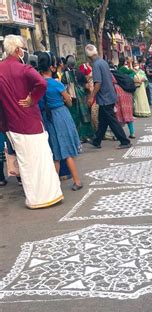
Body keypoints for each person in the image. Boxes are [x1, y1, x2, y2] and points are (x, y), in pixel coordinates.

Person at [0, 35, 63, 208]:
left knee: (25, 163)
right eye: (23, 48)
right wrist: (32, 98)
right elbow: (41, 83)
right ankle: (47, 195)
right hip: (30, 122)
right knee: (41, 160)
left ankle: (34, 198)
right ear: (17, 50)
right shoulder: (24, 69)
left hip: (11, 124)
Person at [38, 52, 82, 191]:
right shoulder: (56, 84)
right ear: (52, 67)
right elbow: (68, 100)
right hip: (61, 115)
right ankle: (77, 181)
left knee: (55, 153)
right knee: (67, 151)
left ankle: (55, 187)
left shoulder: (38, 85)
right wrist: (65, 101)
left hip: (47, 118)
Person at [85, 44, 130, 149]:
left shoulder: (96, 65)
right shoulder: (103, 62)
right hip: (109, 95)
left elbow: (98, 83)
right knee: (103, 121)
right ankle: (97, 141)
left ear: (89, 57)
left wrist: (91, 96)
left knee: (112, 121)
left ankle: (124, 141)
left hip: (105, 97)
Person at [62, 55, 95, 141]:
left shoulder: (65, 75)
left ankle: (78, 136)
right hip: (82, 97)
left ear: (67, 64)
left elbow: (63, 86)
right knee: (84, 116)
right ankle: (87, 135)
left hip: (72, 98)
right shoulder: (79, 73)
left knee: (75, 117)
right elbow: (86, 85)